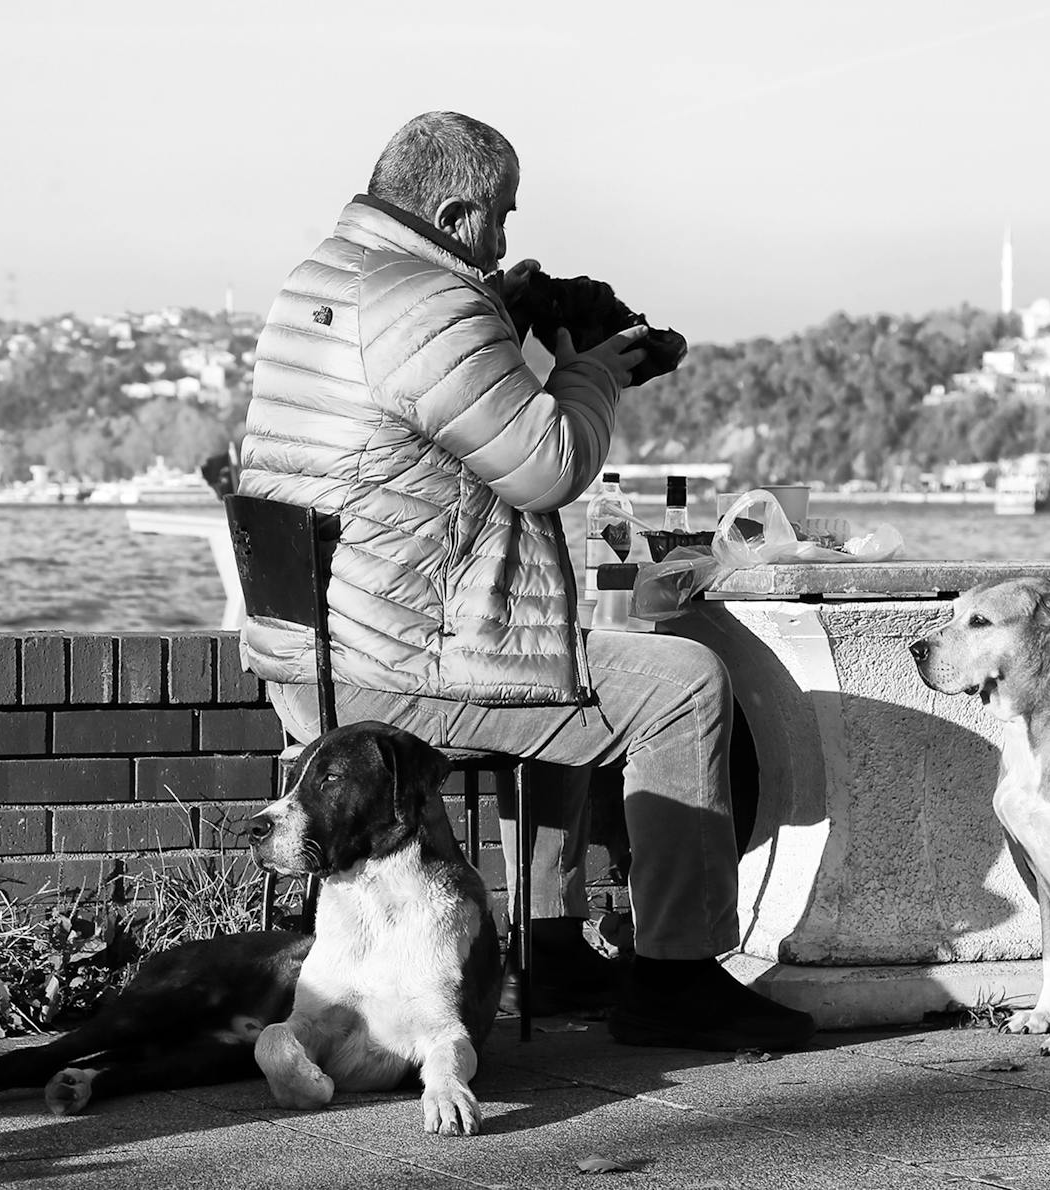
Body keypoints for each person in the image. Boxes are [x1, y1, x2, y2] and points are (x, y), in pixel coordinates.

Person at [236, 111, 815, 1052]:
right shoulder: (425, 303)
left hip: (319, 655)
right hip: (397, 670)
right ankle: (676, 979)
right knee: (680, 687)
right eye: (499, 217)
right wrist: (592, 376)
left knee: (557, 656)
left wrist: (503, 313)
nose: (505, 238)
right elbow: (548, 465)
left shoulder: (325, 281)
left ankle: (549, 942)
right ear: (458, 211)